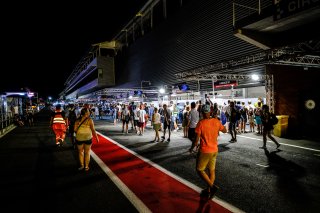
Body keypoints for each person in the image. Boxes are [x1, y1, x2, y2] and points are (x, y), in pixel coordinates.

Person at [189, 104, 227, 199]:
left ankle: (212, 187)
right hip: (214, 150)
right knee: (211, 171)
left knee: (199, 169)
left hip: (205, 150)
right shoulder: (216, 121)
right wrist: (217, 122)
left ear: (202, 113)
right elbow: (225, 130)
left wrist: (192, 148)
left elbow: (196, 139)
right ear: (210, 112)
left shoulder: (201, 123)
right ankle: (209, 190)